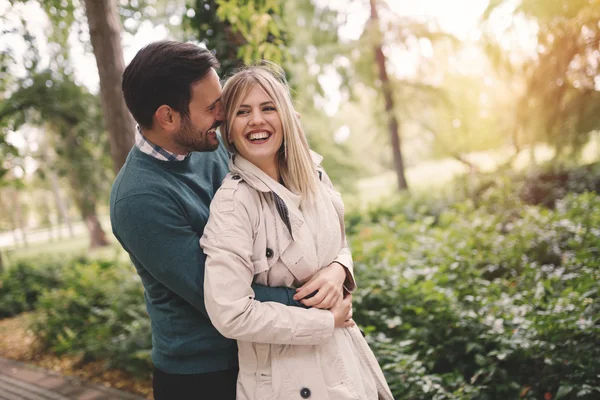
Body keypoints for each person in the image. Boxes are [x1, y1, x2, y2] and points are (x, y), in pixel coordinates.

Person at [109, 41, 351, 400]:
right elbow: (215, 294)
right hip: (204, 373)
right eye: (212, 107)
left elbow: (299, 220)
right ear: (169, 117)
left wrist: (337, 269)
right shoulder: (138, 200)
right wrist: (319, 303)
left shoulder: (208, 142)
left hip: (267, 350)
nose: (223, 115)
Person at [200, 63, 394, 400]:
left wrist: (339, 270)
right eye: (243, 112)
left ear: (286, 118)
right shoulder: (233, 204)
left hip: (343, 360)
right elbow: (230, 314)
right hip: (285, 379)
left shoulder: (315, 177)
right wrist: (323, 323)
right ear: (228, 131)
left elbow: (339, 244)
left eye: (268, 108)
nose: (257, 120)